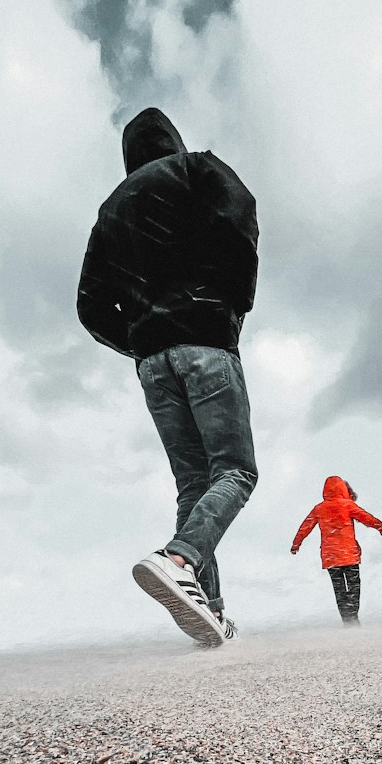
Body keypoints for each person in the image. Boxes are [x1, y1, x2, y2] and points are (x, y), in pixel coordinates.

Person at [77, 107, 259, 648]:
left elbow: (90, 307)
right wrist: (232, 306)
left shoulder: (109, 210)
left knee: (193, 485)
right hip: (205, 340)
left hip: (152, 363)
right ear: (171, 139)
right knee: (236, 472)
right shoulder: (195, 169)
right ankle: (178, 558)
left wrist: (138, 340)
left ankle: (211, 612)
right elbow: (240, 218)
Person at [291, 477, 382, 624]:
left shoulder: (319, 508)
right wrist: (380, 526)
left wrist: (296, 543)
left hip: (331, 556)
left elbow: (305, 526)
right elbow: (365, 517)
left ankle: (346, 619)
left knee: (339, 589)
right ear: (342, 489)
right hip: (349, 554)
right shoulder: (347, 505)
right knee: (354, 585)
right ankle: (353, 615)